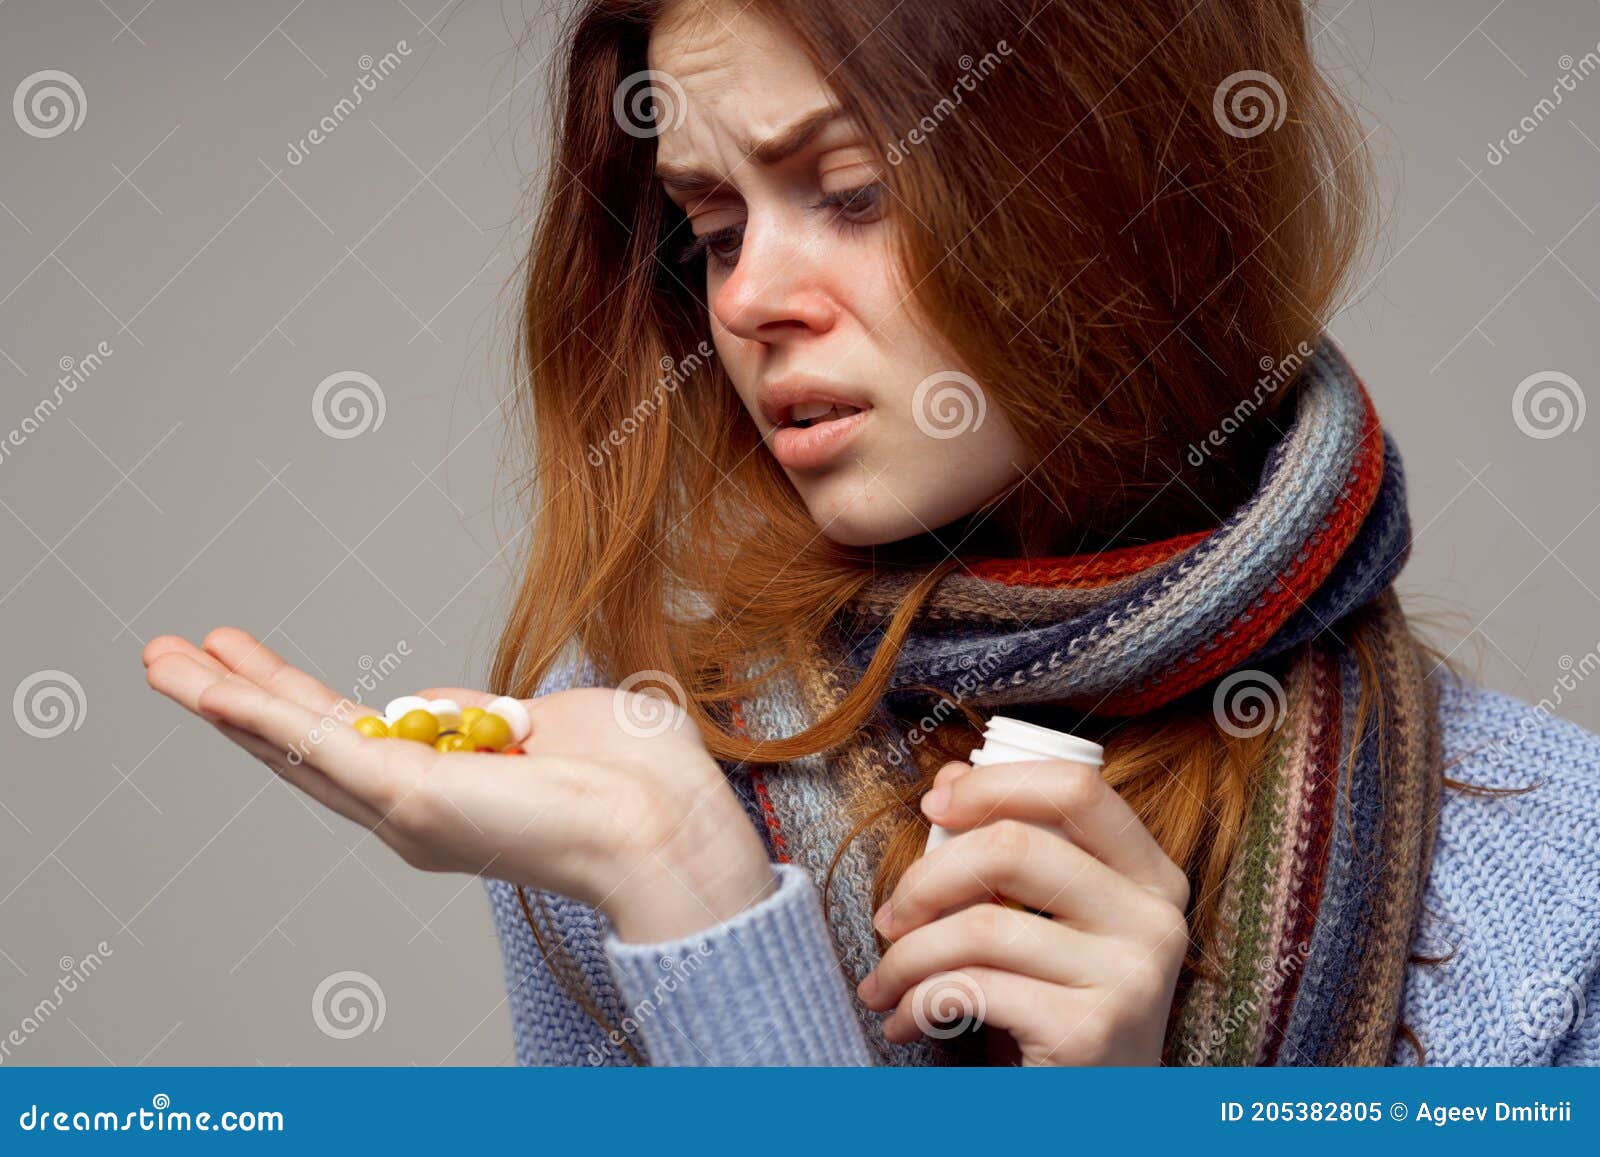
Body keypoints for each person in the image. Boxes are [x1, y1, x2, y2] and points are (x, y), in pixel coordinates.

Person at [143, 0, 1600, 1066]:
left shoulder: (1557, 875)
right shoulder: (621, 786)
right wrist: (690, 898)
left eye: (850, 192)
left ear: (1117, 189)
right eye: (714, 227)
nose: (748, 299)